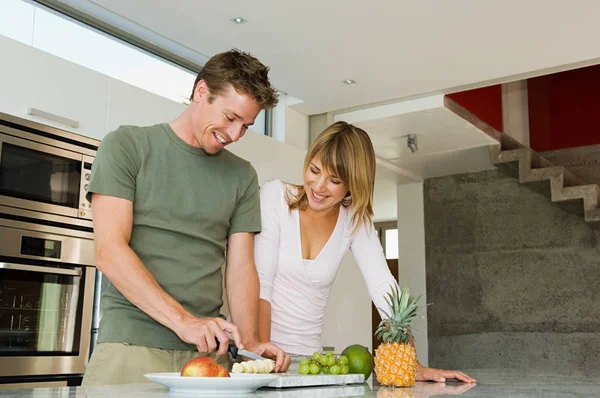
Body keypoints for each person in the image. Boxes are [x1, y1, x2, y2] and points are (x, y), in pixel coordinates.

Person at [82, 49, 290, 385]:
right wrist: (183, 321)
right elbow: (109, 251)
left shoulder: (242, 176)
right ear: (201, 93)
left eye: (246, 126)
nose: (235, 135)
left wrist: (249, 341)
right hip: (131, 347)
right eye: (230, 117)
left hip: (210, 357)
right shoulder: (127, 146)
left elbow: (240, 268)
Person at [255, 121, 475, 383]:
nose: (319, 186)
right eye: (314, 170)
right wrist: (260, 354)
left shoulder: (354, 220)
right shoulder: (276, 197)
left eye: (334, 180)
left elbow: (383, 287)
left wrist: (412, 364)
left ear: (352, 184)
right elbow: (261, 283)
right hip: (259, 358)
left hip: (310, 366)